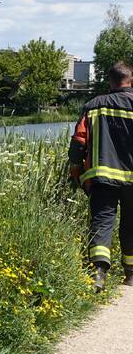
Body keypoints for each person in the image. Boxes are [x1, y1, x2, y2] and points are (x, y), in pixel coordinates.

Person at [69, 61, 133, 292]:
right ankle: (130, 275)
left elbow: (79, 141)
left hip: (102, 177)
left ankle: (99, 275)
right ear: (131, 80)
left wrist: (75, 169)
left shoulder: (94, 105)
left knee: (102, 223)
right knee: (131, 225)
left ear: (110, 81)